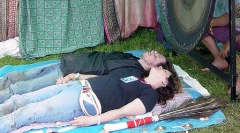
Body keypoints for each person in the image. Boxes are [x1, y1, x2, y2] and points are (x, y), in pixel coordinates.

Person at [0, 60, 181, 133]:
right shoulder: (136, 77)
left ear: (165, 83)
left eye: (164, 70)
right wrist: (76, 76)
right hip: (76, 87)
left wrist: (94, 120)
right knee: (19, 100)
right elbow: (104, 79)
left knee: (26, 112)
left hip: (81, 101)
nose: (160, 67)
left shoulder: (149, 96)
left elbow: (122, 112)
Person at [0, 50, 168, 103]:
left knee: (21, 88)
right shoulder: (130, 56)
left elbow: (105, 79)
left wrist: (76, 76)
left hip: (68, 72)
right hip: (68, 63)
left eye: (157, 56)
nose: (154, 52)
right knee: (16, 76)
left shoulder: (133, 72)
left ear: (157, 67)